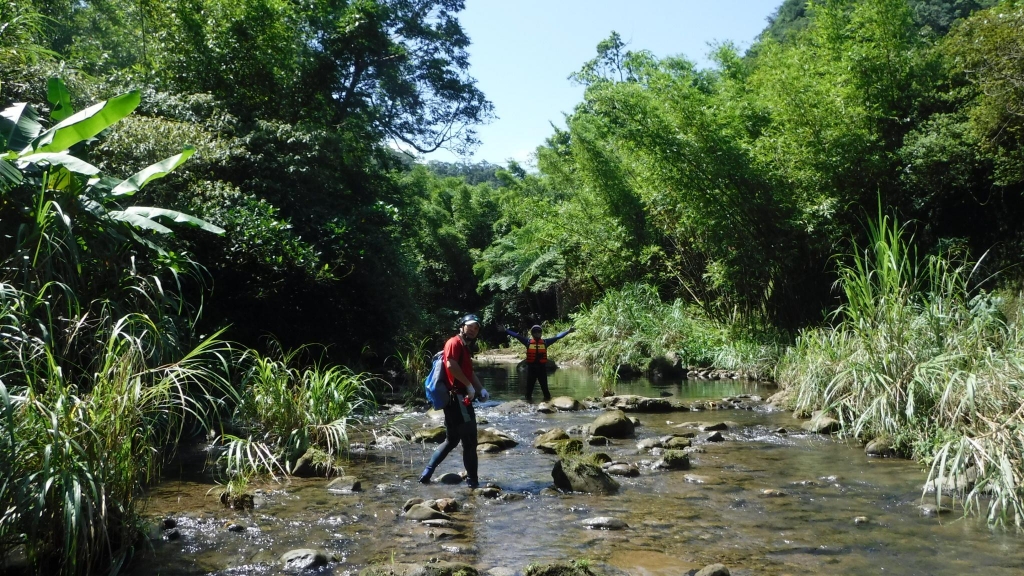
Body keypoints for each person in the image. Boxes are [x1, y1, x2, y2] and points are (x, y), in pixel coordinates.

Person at [418, 313, 489, 488]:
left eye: (476, 328)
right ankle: (473, 482)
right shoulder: (454, 343)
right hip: (458, 399)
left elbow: (469, 372)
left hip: (457, 398)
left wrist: (480, 389)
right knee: (470, 441)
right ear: (462, 326)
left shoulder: (465, 347)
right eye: (470, 327)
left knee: (452, 440)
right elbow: (451, 365)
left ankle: (426, 474)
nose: (473, 330)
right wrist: (469, 387)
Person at [499, 323, 575, 402]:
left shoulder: (545, 342)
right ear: (532, 333)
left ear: (541, 333)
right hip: (531, 370)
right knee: (528, 393)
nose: (537, 333)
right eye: (535, 332)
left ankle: (548, 407)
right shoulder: (527, 342)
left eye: (539, 331)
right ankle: (528, 406)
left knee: (546, 392)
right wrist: (505, 330)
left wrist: (568, 331)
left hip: (542, 370)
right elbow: (516, 336)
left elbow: (557, 337)